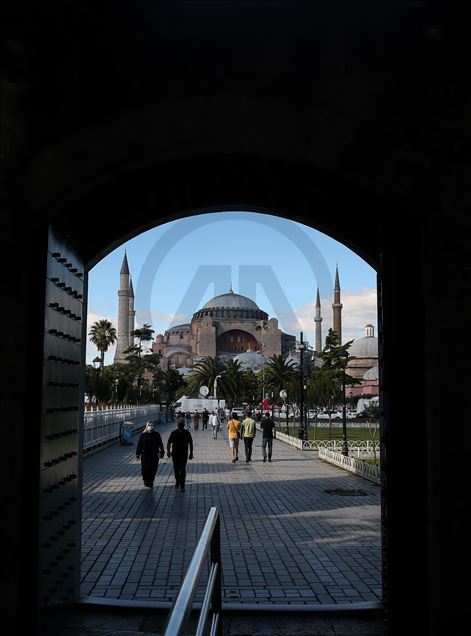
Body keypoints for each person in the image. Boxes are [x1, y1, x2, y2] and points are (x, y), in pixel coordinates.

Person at [167, 418, 193, 492]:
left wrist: (191, 453)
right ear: (178, 425)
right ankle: (177, 481)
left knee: (182, 469)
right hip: (175, 454)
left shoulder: (187, 433)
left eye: (182, 424)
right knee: (176, 469)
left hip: (184, 454)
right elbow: (169, 443)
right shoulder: (174, 433)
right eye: (179, 424)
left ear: (184, 425)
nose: (180, 425)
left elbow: (190, 443)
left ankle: (182, 484)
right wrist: (168, 452)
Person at [135, 421, 165, 488]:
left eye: (152, 425)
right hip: (145, 455)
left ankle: (151, 481)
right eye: (149, 425)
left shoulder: (156, 435)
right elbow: (139, 445)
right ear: (146, 426)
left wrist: (162, 452)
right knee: (145, 468)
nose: (150, 426)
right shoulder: (143, 435)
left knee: (153, 468)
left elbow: (160, 444)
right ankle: (145, 480)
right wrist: (137, 455)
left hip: (154, 455)